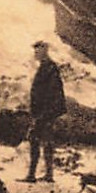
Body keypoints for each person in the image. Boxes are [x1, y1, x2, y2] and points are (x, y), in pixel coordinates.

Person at [25, 39, 66, 182]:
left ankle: (33, 175)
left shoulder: (49, 67)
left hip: (45, 112)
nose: (36, 53)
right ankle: (48, 174)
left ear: (45, 50)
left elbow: (53, 92)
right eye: (35, 51)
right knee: (44, 140)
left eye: (38, 50)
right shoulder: (45, 66)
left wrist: (44, 114)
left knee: (36, 139)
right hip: (43, 111)